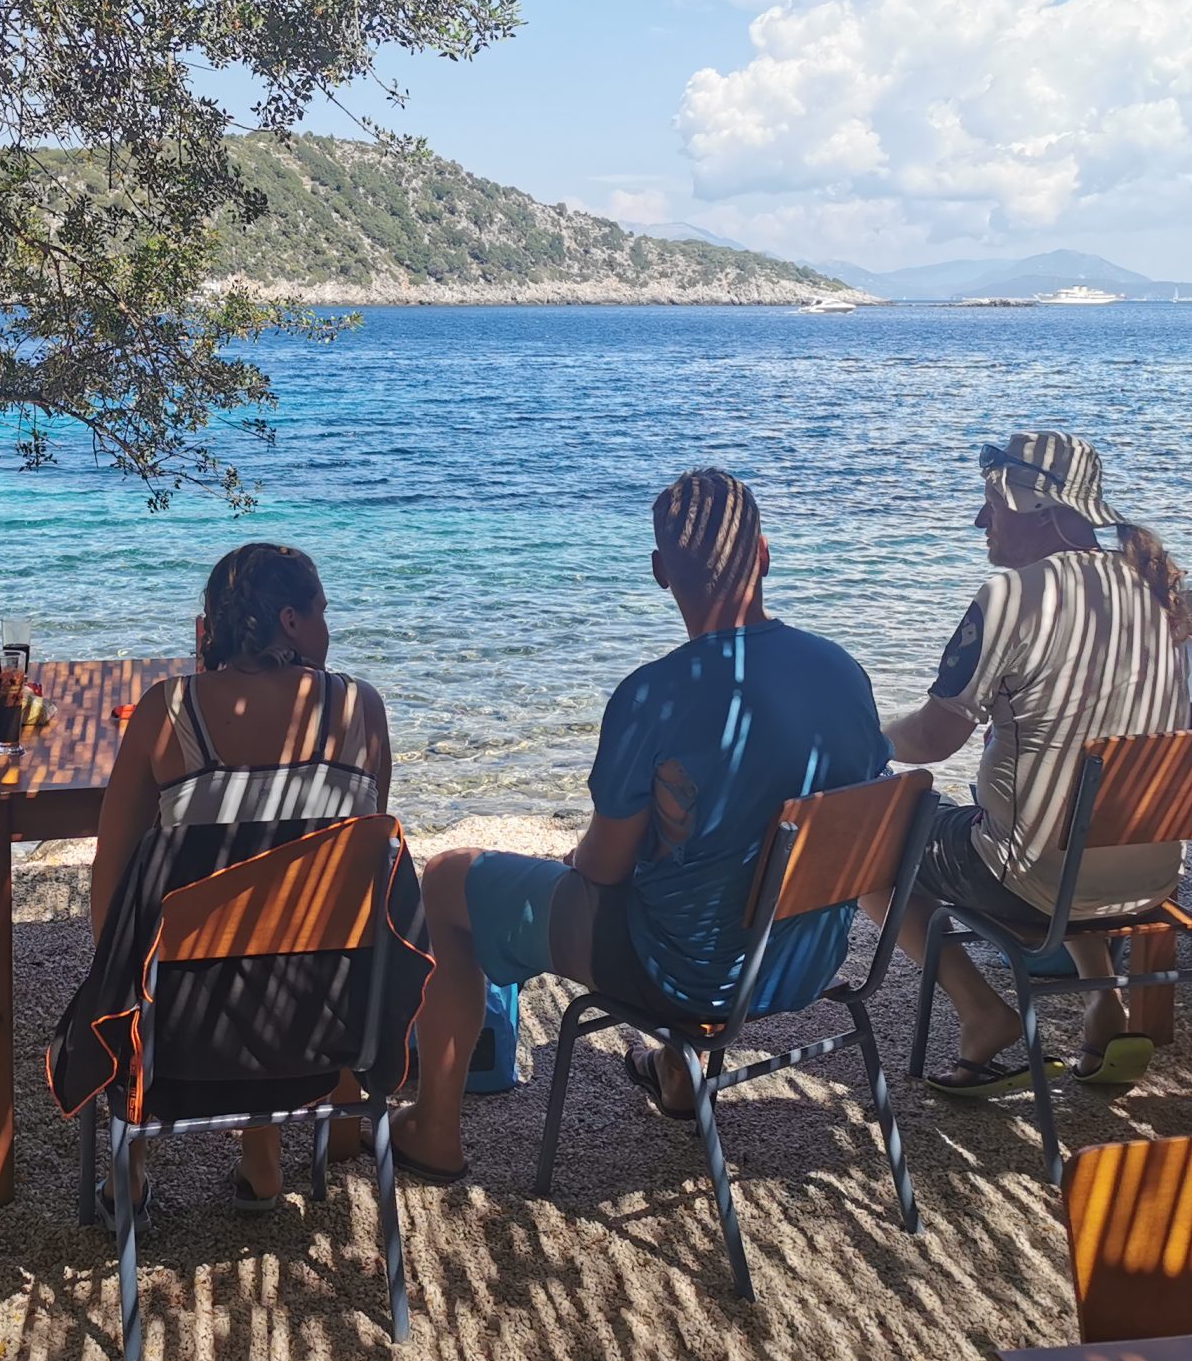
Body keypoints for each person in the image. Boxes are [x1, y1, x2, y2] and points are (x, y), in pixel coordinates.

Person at [395, 470, 889, 1185]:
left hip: (682, 974)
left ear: (661, 573)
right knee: (712, 872)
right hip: (804, 958)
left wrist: (574, 857)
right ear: (766, 554)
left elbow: (602, 870)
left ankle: (434, 1129)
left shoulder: (654, 694)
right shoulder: (842, 671)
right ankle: (679, 1076)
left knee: (444, 880)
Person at [49, 543, 402, 1211]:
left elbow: (113, 871)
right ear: (292, 622)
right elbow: (353, 873)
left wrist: (114, 981)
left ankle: (129, 1175)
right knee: (282, 923)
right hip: (321, 1023)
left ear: (211, 627)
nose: (329, 629)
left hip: (185, 1029)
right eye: (323, 613)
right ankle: (262, 1158)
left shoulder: (169, 712)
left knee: (151, 934)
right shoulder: (363, 710)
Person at [880, 431, 1192, 1096]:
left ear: (1040, 512)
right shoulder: (1152, 592)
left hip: (1038, 880)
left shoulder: (1011, 597)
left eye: (990, 505)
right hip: (1151, 869)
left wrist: (858, 738)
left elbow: (934, 739)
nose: (977, 521)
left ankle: (983, 1014)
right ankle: (1107, 1008)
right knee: (1061, 795)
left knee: (872, 842)